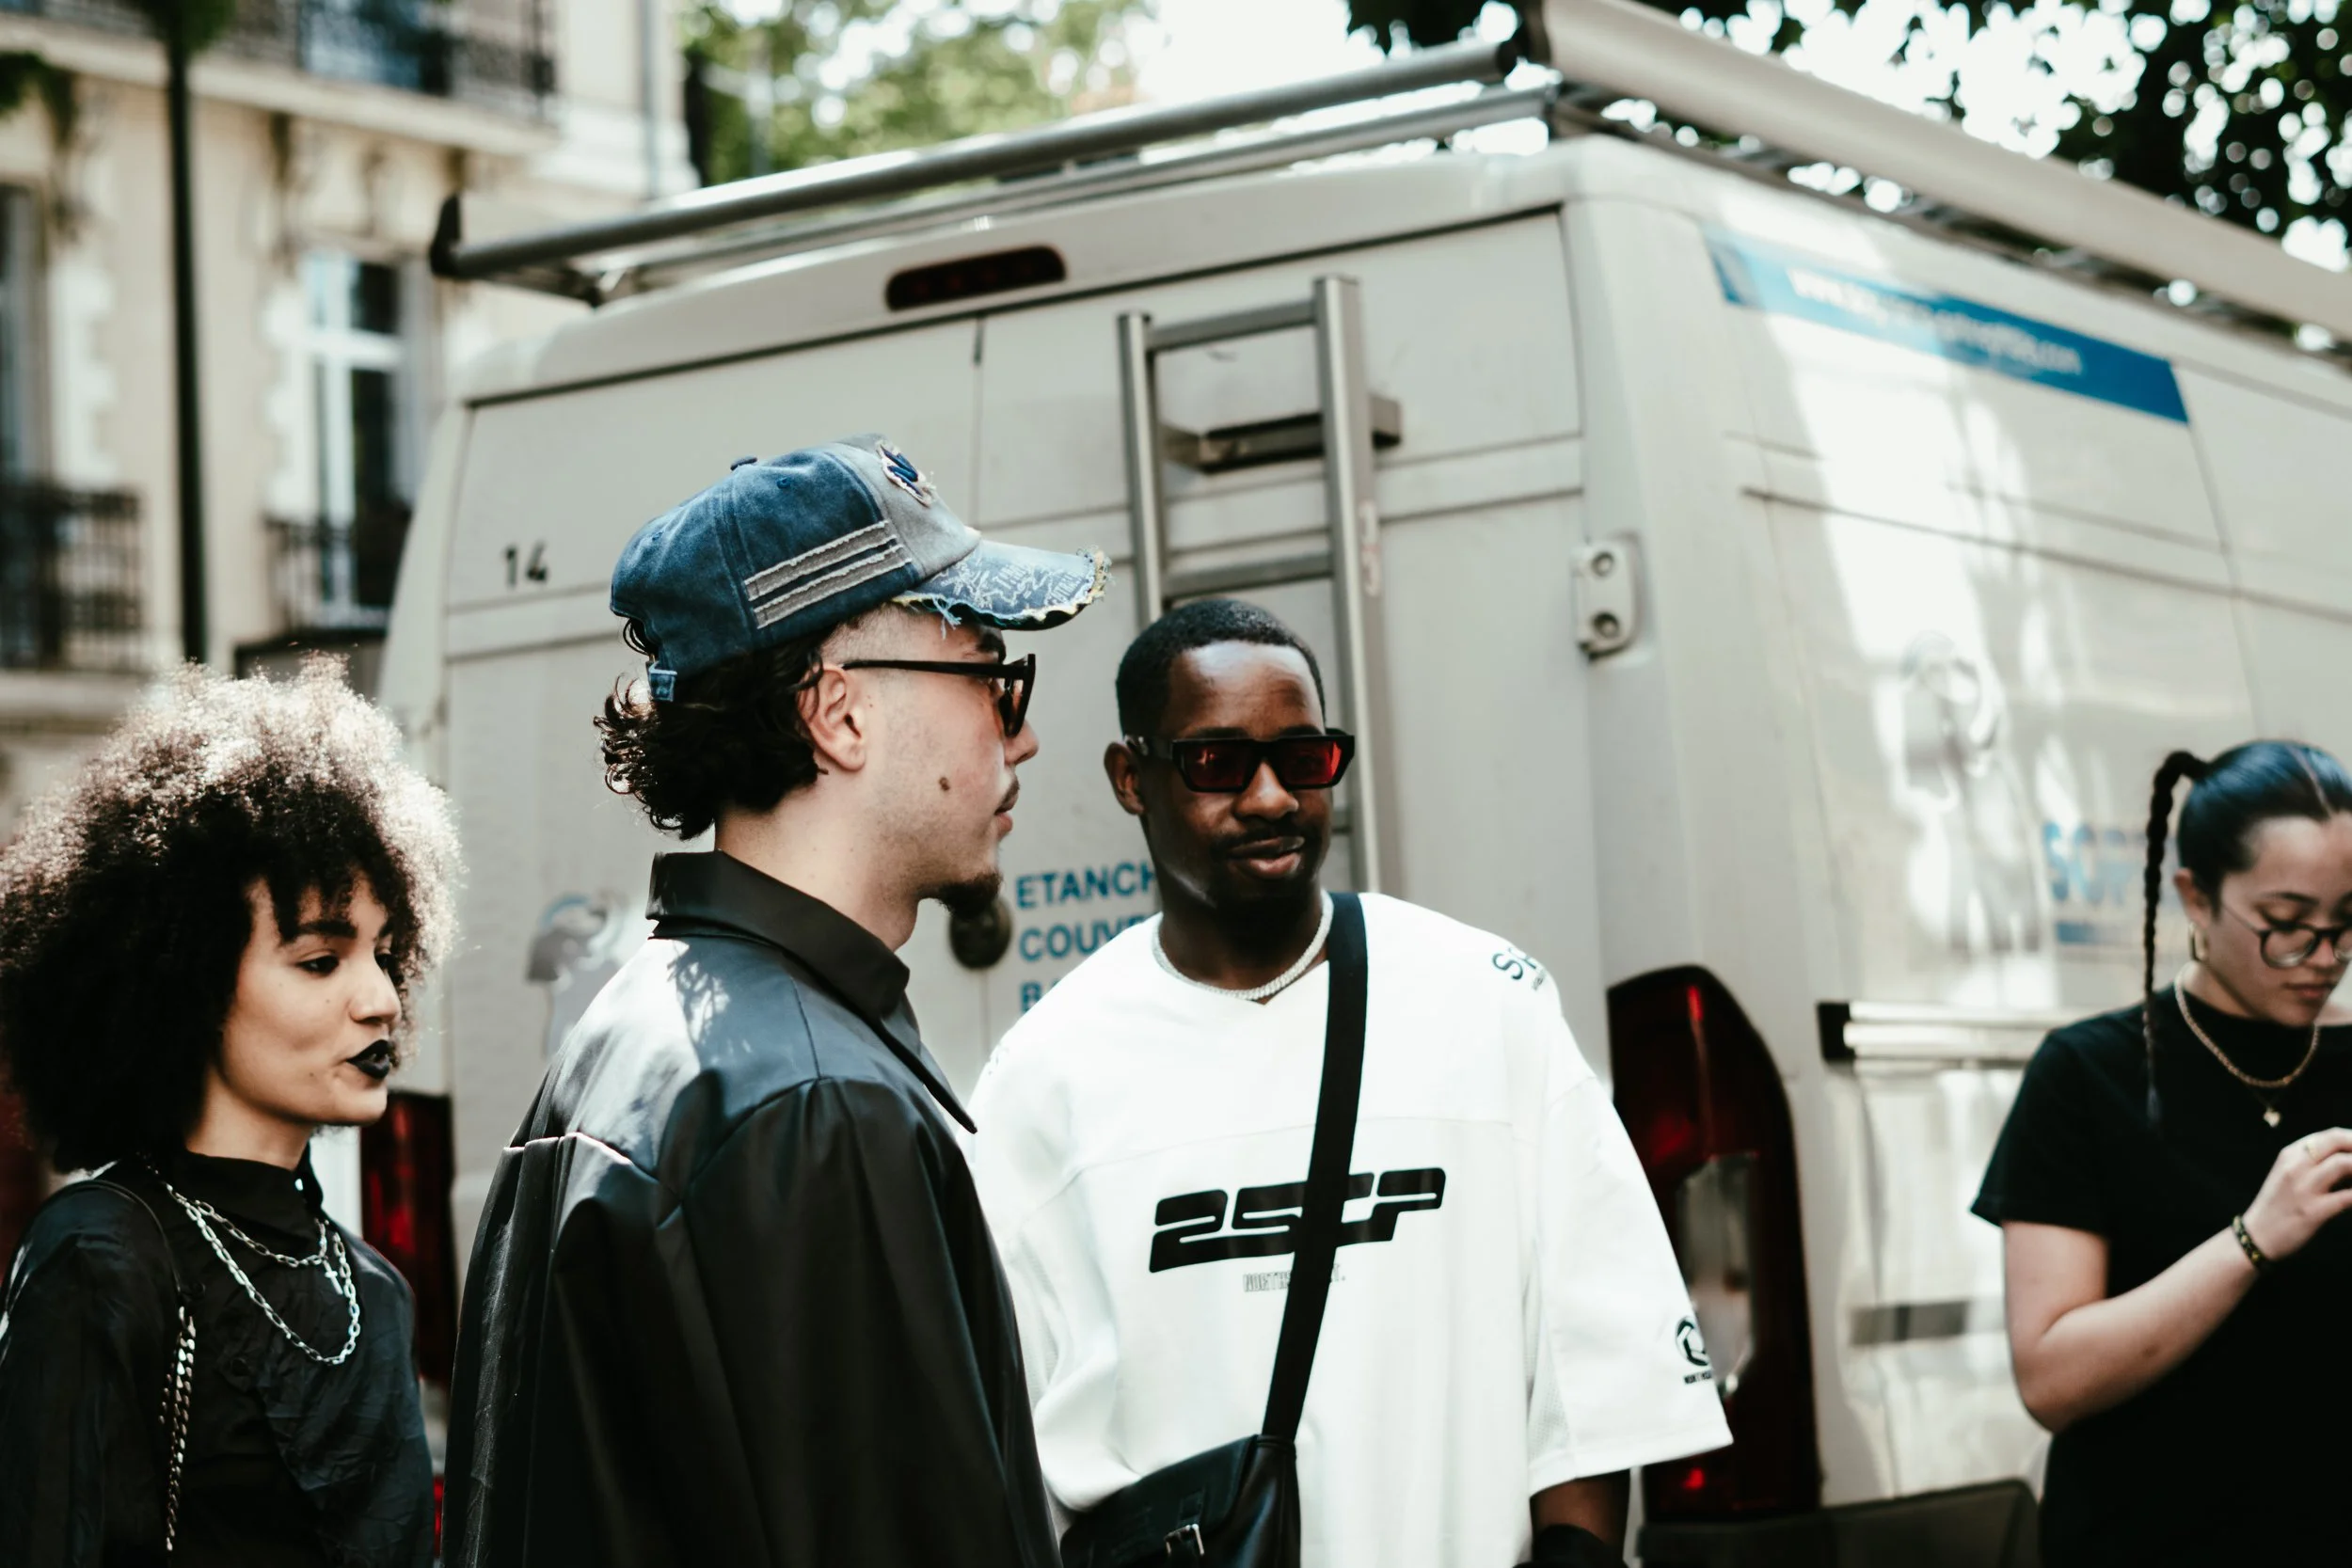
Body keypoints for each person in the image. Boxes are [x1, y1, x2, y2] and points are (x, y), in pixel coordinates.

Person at [443, 436, 1109, 1567]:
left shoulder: (625, 1033)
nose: (1023, 730)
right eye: (989, 673)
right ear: (837, 712)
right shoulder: (818, 1104)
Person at [967, 599, 1730, 1568]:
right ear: (1131, 777)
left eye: (1304, 757)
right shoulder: (1045, 1075)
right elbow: (1002, 1436)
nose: (1271, 798)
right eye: (1217, 761)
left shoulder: (1485, 1004)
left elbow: (1595, 1368)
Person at [0, 662, 459, 1567]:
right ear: (187, 980)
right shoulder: (101, 1258)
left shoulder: (376, 1292)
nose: (380, 999)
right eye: (321, 959)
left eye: (386, 952)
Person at [1974, 741, 2352, 1564]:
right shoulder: (2087, 1074)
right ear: (2197, 898)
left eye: (2346, 921)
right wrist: (2253, 1238)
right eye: (2288, 924)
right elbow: (2050, 1381)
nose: (2324, 957)